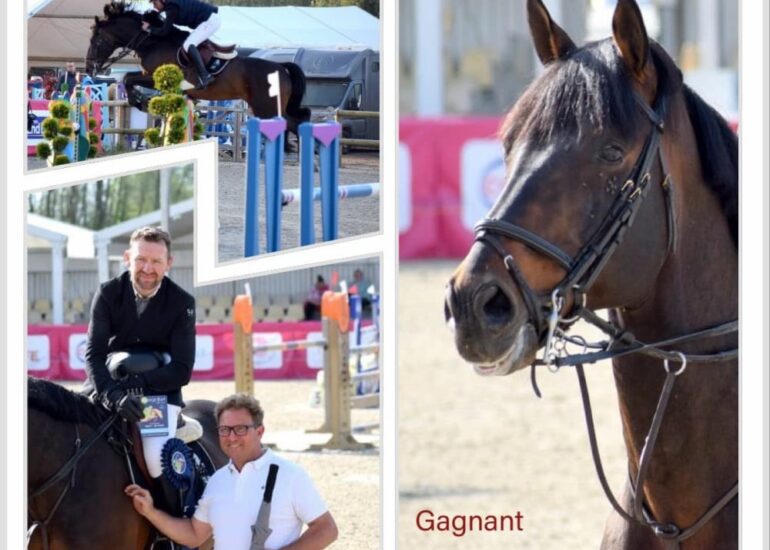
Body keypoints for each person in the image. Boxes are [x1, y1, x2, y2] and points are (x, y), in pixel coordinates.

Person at [125, 393, 339, 550]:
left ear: (260, 431)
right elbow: (194, 535)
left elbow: (327, 529)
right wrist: (150, 511)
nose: (232, 437)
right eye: (225, 430)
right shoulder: (217, 480)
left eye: (241, 429)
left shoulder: (290, 475)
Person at [82, 226, 196, 519]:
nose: (147, 269)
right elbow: (94, 355)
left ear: (169, 263)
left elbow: (182, 370)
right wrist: (115, 396)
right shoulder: (108, 293)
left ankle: (172, 528)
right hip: (109, 387)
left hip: (157, 394)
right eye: (141, 259)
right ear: (127, 258)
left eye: (156, 261)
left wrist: (136, 386)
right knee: (69, 438)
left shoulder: (182, 303)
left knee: (157, 460)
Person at [142, 0, 221, 89]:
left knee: (188, 44)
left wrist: (149, 28)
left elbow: (164, 32)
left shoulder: (172, 8)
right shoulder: (170, 6)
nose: (154, 6)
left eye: (155, 3)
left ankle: (205, 76)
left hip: (209, 21)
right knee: (189, 43)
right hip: (208, 20)